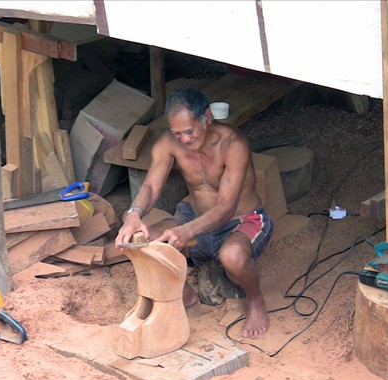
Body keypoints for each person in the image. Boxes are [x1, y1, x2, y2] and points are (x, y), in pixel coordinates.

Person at [115, 88, 273, 338]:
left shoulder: (233, 144)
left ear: (207, 117)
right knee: (145, 242)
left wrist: (186, 231)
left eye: (189, 131)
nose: (184, 139)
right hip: (195, 222)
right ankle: (184, 295)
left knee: (232, 256)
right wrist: (134, 214)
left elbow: (226, 207)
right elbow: (151, 185)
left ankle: (256, 301)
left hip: (239, 222)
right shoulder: (169, 143)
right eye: (177, 133)